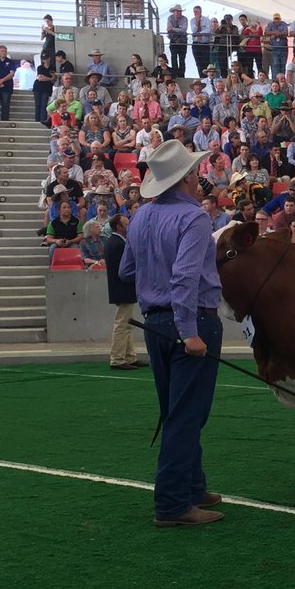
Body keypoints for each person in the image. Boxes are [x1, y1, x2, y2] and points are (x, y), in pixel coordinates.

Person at [119, 138, 225, 527]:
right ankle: (173, 503)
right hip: (191, 320)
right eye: (196, 173)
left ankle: (193, 485)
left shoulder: (141, 217)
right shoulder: (195, 217)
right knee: (187, 414)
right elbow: (184, 278)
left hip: (154, 322)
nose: (200, 180)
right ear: (187, 178)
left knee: (176, 410)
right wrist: (190, 331)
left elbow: (127, 272)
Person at [103, 213, 144, 371]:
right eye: (126, 224)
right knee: (122, 324)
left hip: (122, 289)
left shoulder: (114, 242)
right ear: (119, 227)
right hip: (123, 289)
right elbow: (125, 269)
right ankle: (118, 358)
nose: (129, 227)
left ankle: (128, 356)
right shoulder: (118, 244)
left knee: (126, 324)